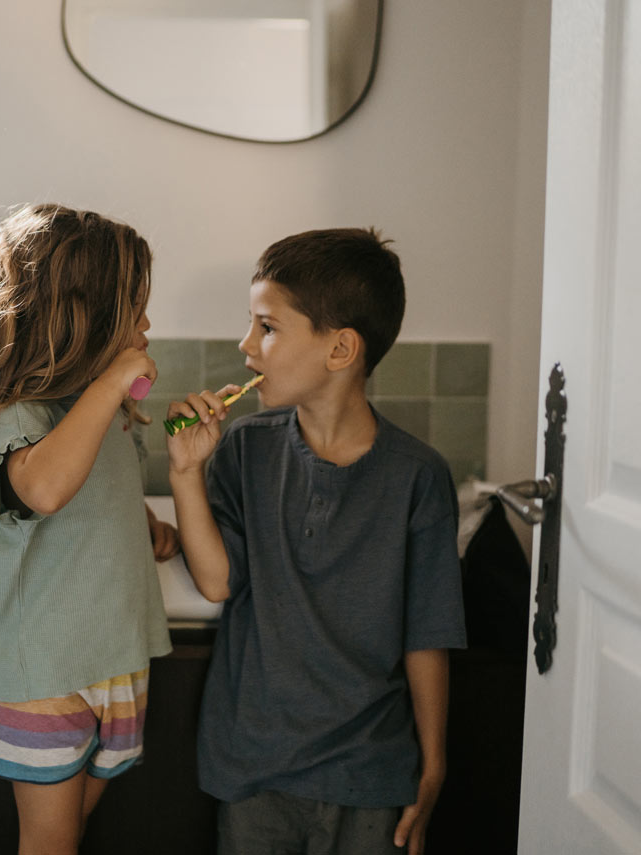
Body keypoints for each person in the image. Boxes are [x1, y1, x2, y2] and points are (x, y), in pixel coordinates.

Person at [165, 228, 466, 855]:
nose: (247, 347)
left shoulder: (419, 478)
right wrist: (186, 471)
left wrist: (432, 766)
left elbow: (427, 635)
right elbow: (219, 581)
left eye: (267, 327)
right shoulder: (245, 450)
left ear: (340, 349)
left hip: (371, 771)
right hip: (254, 764)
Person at [0, 203, 177, 855]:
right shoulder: (24, 412)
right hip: (47, 670)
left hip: (114, 653)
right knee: (49, 842)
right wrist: (108, 385)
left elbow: (91, 491)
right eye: (136, 309)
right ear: (90, 319)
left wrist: (142, 521)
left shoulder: (103, 412)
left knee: (67, 836)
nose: (148, 325)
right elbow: (42, 488)